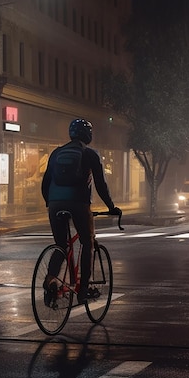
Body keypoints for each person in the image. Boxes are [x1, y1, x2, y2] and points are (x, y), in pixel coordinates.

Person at [41, 118, 121, 304]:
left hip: (54, 204)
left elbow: (45, 183)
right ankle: (83, 289)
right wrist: (111, 207)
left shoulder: (56, 153)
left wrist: (51, 203)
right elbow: (100, 185)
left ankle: (51, 280)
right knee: (87, 242)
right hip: (79, 203)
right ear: (88, 135)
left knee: (61, 245)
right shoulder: (90, 154)